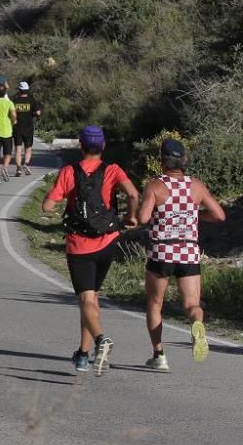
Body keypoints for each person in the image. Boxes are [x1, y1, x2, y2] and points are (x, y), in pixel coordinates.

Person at [42, 125, 139, 375]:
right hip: (108, 242)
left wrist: (58, 202)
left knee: (85, 299)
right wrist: (130, 217)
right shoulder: (113, 170)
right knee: (92, 297)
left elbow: (47, 207)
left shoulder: (69, 172)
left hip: (79, 244)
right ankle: (83, 355)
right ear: (103, 146)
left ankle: (100, 340)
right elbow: (133, 193)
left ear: (80, 146)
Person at [137, 139, 225, 370]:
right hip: (188, 251)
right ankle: (197, 323)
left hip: (161, 252)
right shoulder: (196, 186)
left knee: (155, 304)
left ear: (162, 161)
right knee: (191, 304)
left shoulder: (154, 186)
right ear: (184, 160)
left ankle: (159, 356)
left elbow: (143, 219)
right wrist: (196, 215)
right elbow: (219, 215)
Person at [12, 81, 41, 176]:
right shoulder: (32, 101)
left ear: (20, 90)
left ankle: (18, 168)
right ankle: (26, 164)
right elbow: (38, 113)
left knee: (18, 149)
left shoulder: (15, 101)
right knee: (28, 148)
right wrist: (33, 115)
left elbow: (11, 114)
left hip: (17, 128)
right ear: (27, 90)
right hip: (28, 128)